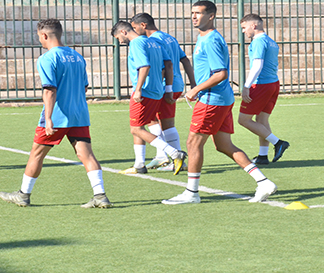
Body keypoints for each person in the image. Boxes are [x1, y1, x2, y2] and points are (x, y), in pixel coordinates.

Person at [162, 1, 277, 205]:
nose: (194, 17)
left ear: (211, 16)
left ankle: (192, 192)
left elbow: (221, 73)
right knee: (224, 145)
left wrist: (196, 89)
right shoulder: (204, 37)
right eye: (192, 13)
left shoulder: (212, 40)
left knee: (193, 142)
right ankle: (263, 182)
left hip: (211, 100)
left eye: (199, 13)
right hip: (219, 99)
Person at [0, 19, 111, 208]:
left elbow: (50, 90)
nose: (40, 41)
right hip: (79, 114)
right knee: (86, 154)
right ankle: (100, 195)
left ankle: (23, 195)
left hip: (58, 115)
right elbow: (84, 87)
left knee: (36, 154)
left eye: (39, 38)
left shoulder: (47, 58)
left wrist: (49, 118)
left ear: (44, 35)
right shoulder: (77, 57)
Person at [110, 21, 187, 175]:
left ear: (124, 32)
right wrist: (168, 88)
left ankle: (174, 153)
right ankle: (139, 165)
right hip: (157, 91)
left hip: (144, 92)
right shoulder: (153, 42)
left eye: (118, 38)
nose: (119, 41)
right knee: (140, 126)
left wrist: (138, 90)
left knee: (136, 128)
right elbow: (169, 65)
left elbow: (144, 66)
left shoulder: (136, 44)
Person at [131, 13, 196, 172]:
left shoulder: (153, 41)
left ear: (143, 25)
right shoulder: (170, 38)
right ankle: (164, 157)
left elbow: (165, 65)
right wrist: (193, 84)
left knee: (151, 121)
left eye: (134, 27)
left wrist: (165, 87)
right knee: (158, 120)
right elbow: (185, 60)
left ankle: (170, 157)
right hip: (176, 84)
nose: (134, 31)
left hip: (164, 85)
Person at [237, 13, 289, 165]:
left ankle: (278, 142)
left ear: (254, 25)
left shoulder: (258, 41)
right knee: (262, 119)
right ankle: (262, 156)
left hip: (261, 84)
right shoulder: (271, 41)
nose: (243, 31)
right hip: (273, 83)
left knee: (243, 120)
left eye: (244, 27)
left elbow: (257, 66)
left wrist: (246, 86)